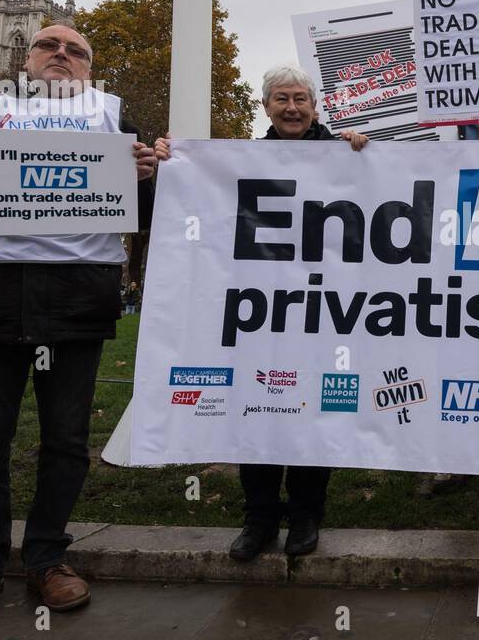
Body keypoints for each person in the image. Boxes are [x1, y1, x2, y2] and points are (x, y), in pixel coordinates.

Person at [0, 24, 158, 632]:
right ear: (25, 60)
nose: (62, 55)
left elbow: (146, 217)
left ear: (89, 68)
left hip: (75, 301)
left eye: (76, 50)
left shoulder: (115, 117)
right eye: (49, 46)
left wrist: (150, 177)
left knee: (66, 441)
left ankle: (48, 557)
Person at [155, 64, 367, 561]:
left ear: (315, 108)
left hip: (322, 308)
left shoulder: (345, 154)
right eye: (281, 99)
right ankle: (259, 518)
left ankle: (306, 515)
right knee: (255, 410)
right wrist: (176, 161)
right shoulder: (242, 160)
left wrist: (361, 151)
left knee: (315, 410)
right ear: (266, 107)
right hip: (261, 313)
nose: (292, 108)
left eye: (301, 99)